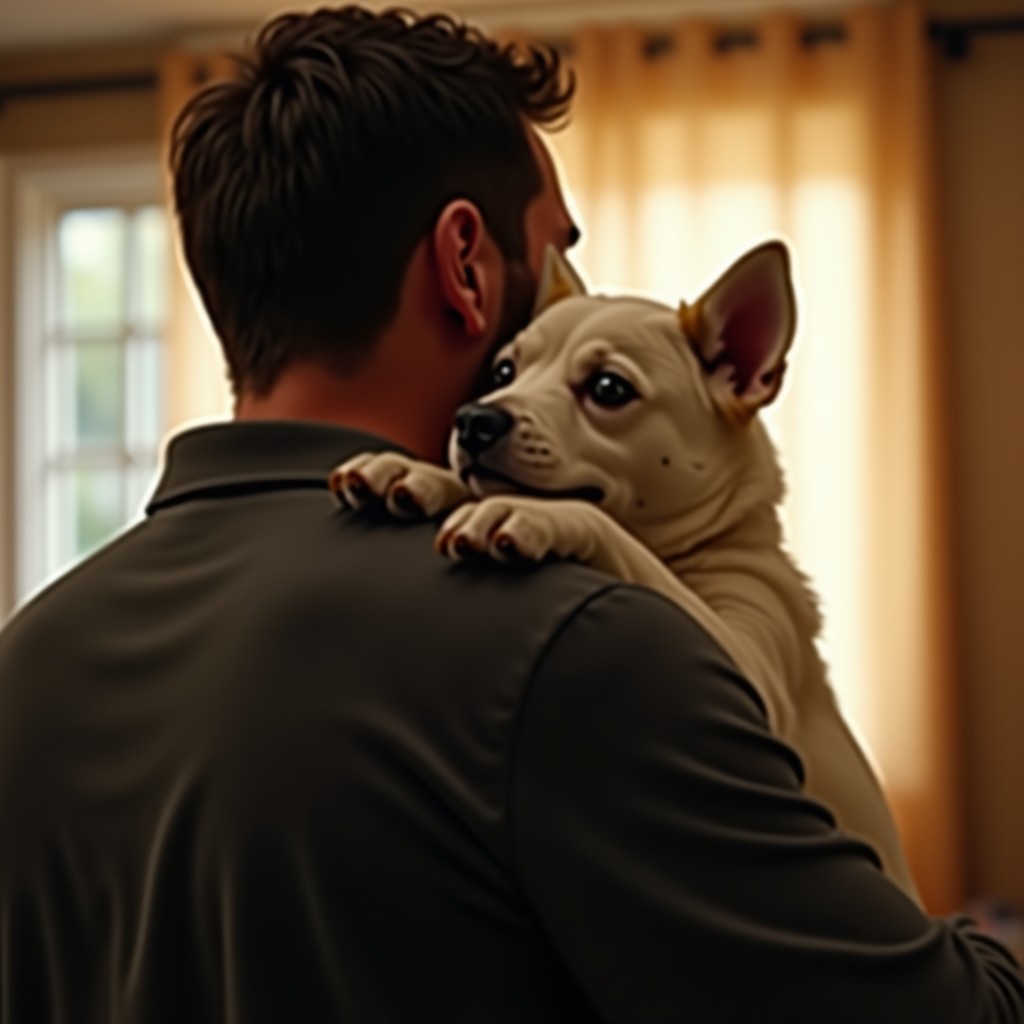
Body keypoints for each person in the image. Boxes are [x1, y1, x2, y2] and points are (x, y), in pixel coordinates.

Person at [0, 6, 1020, 1022]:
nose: (567, 284)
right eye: (556, 245)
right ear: (463, 263)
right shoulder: (571, 640)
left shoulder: (29, 658)